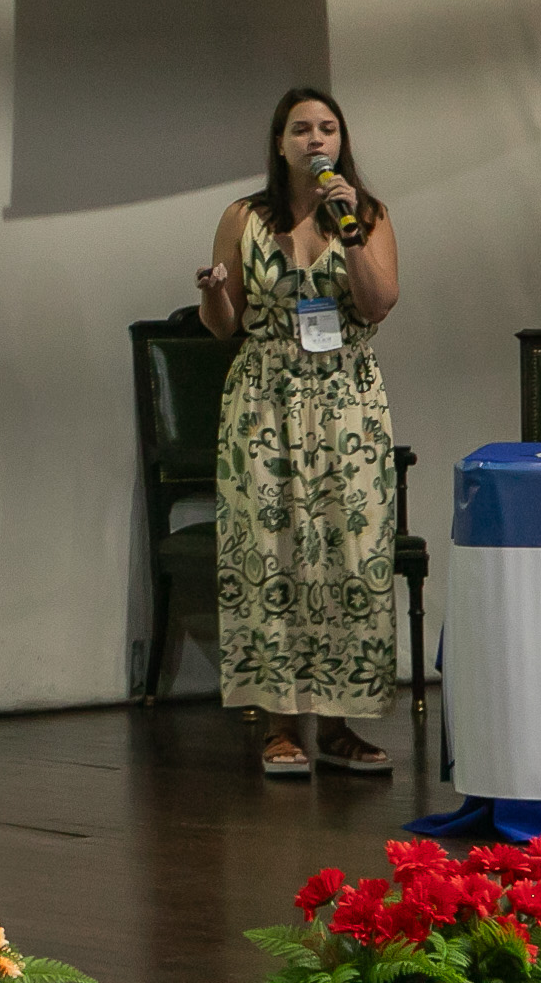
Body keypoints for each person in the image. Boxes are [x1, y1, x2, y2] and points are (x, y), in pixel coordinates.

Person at [192, 85, 402, 779]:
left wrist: (351, 229)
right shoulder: (244, 217)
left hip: (346, 403)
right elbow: (222, 324)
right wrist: (213, 292)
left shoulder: (368, 213)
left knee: (350, 551)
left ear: (341, 141)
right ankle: (280, 725)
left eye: (328, 128)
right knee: (273, 552)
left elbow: (379, 303)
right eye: (302, 129)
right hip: (266, 401)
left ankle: (339, 727)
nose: (316, 140)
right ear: (280, 145)